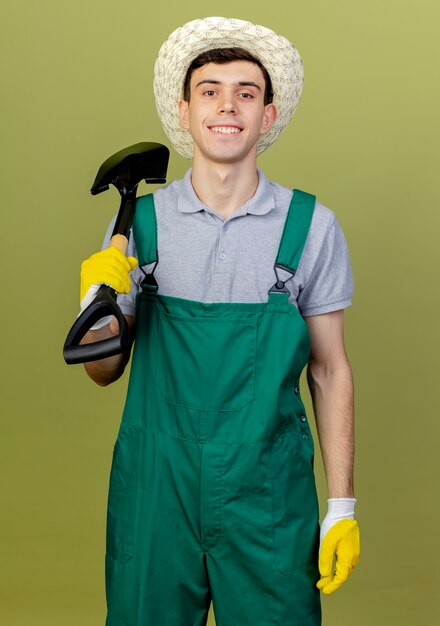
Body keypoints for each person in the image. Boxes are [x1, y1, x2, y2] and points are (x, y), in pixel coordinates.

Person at [78, 17, 360, 626]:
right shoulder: (137, 229)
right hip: (158, 493)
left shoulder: (311, 228)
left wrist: (341, 506)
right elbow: (103, 372)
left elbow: (331, 370)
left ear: (267, 113)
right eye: (209, 90)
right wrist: (96, 304)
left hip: (267, 496)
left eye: (245, 92)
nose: (226, 105)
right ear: (184, 110)